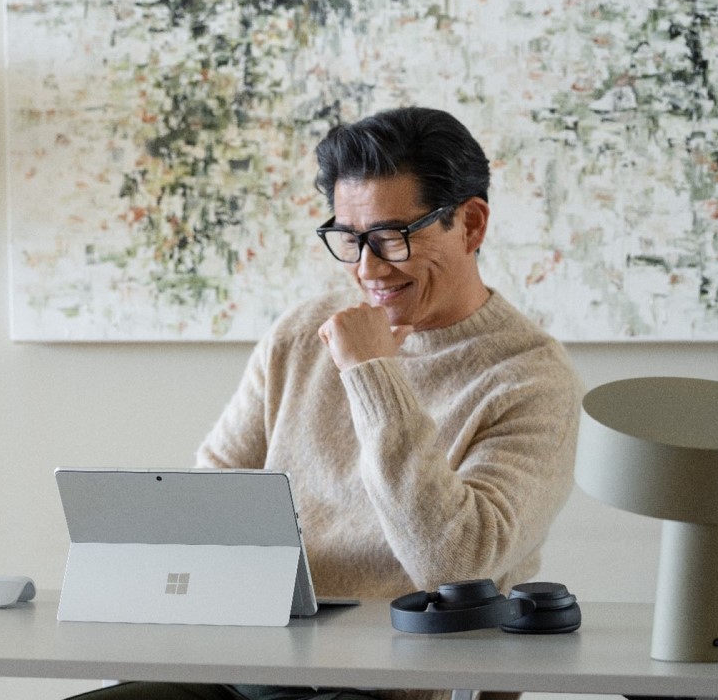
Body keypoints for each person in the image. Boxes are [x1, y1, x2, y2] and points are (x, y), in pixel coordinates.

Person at [71, 107, 583, 700]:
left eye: (393, 237)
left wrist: (371, 374)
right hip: (248, 664)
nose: (367, 269)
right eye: (349, 238)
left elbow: (457, 565)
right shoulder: (304, 331)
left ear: (470, 224)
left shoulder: (530, 378)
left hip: (388, 685)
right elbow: (210, 497)